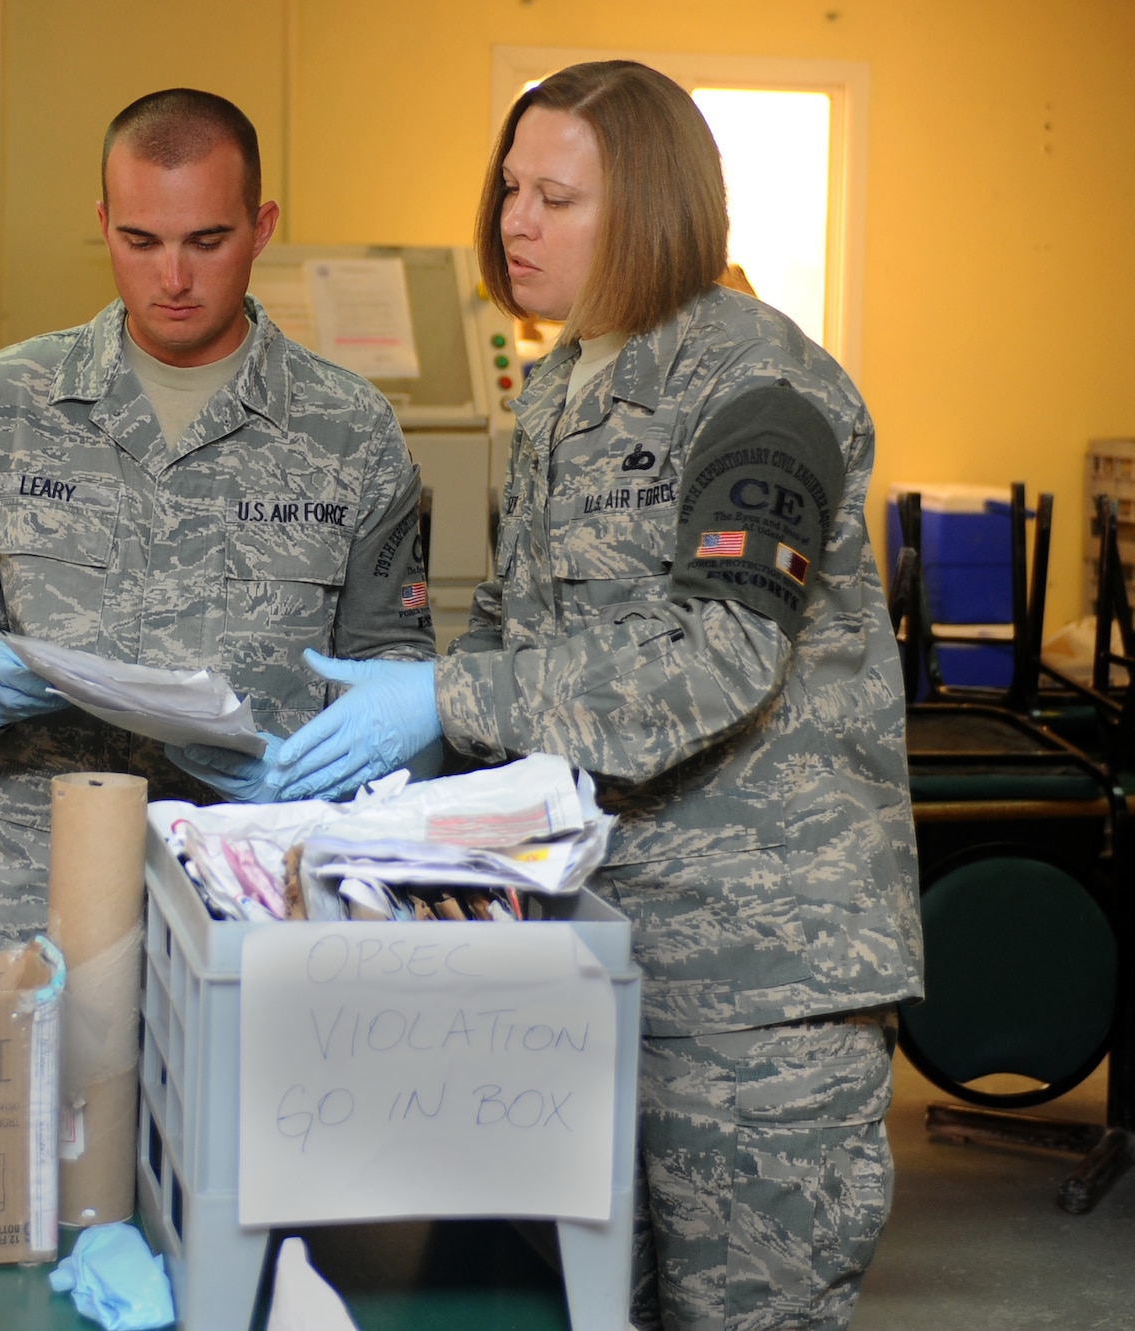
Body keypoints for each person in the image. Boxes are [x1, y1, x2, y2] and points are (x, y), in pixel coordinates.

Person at [236, 62, 922, 1330]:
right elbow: (516, 625)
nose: (514, 221)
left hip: (756, 981)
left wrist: (444, 698)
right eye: (509, 187)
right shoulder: (559, 385)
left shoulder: (760, 388)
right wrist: (384, 777)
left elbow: (717, 655)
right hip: (592, 945)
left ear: (650, 210)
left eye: (556, 196)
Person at [0, 88, 435, 950]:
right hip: (29, 896)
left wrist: (341, 759)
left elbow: (394, 660)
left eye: (206, 241)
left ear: (261, 227)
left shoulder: (348, 429)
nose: (172, 277)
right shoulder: (5, 404)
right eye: (140, 241)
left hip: (258, 893)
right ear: (103, 225)